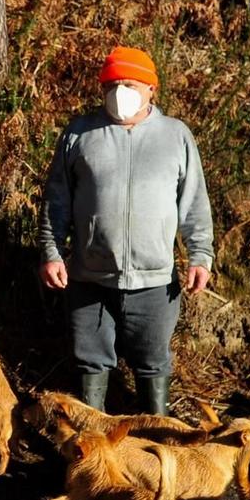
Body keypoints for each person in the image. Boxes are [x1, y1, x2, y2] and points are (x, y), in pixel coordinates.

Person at [39, 46, 214, 416]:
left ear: (152, 88)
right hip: (88, 279)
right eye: (112, 85)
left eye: (130, 84)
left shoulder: (175, 136)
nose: (120, 92)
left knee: (153, 362)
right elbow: (56, 200)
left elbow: (194, 202)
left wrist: (200, 255)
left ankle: (156, 446)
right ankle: (90, 449)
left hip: (155, 281)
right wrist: (51, 253)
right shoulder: (80, 134)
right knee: (91, 361)